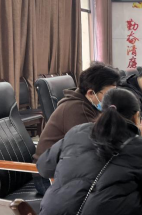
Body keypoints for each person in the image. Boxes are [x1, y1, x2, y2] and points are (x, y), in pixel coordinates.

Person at [32, 63, 121, 195]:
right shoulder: (77, 109)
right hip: (49, 178)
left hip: (69, 169)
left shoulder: (89, 103)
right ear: (91, 93)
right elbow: (95, 148)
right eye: (109, 95)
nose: (112, 100)